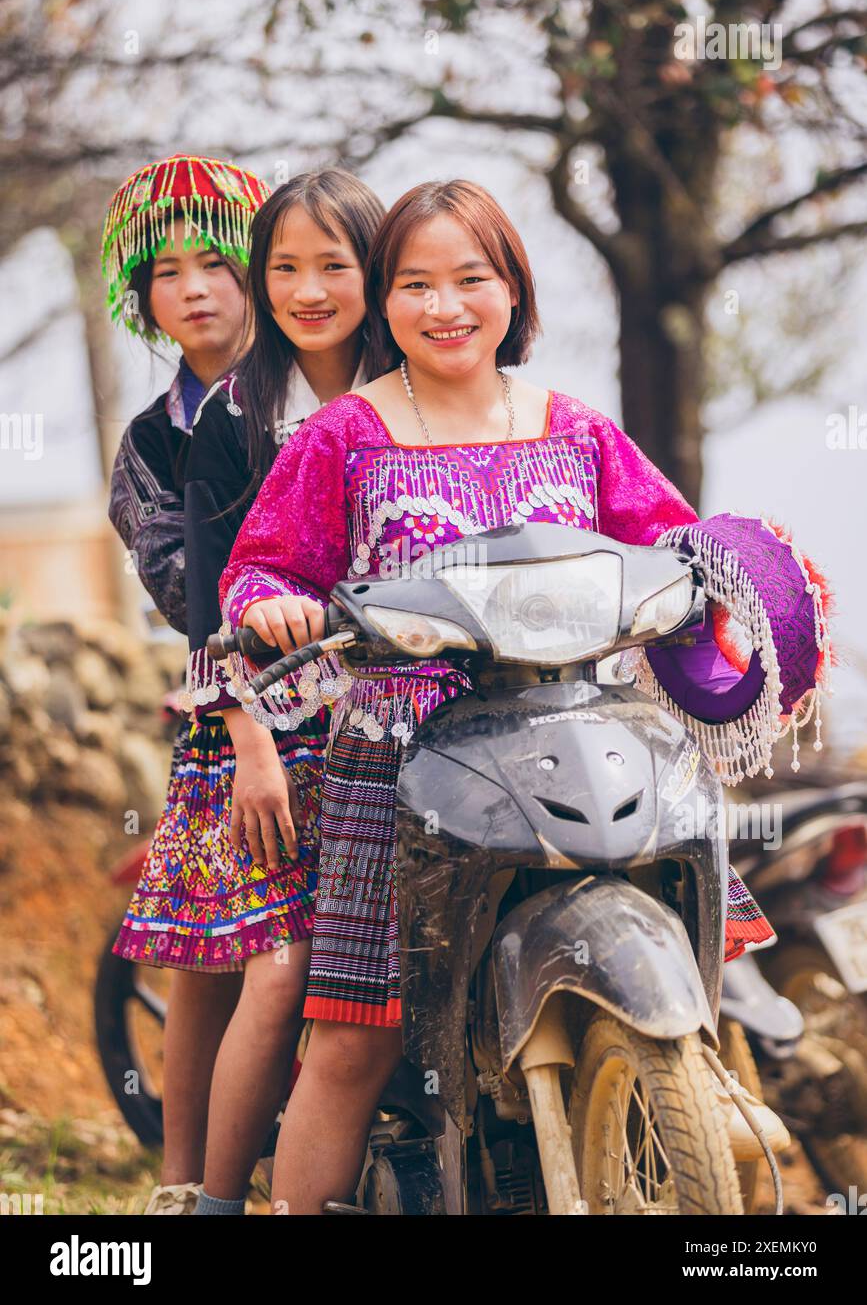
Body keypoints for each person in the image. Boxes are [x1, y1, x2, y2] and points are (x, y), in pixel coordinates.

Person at [217, 179, 791, 1213]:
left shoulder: (575, 426)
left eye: (471, 279)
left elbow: (670, 538)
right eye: (416, 284)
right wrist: (273, 609)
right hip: (400, 764)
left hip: (576, 731)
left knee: (697, 942)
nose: (446, 307)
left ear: (512, 290)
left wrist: (721, 593)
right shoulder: (344, 435)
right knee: (353, 1036)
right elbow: (260, 569)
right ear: (384, 305)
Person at [181, 168, 386, 1217]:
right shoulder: (233, 413)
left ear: (375, 269)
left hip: (403, 716)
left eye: (334, 265)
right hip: (265, 728)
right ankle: (216, 1202)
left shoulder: (418, 386)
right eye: (285, 267)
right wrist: (249, 740)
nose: (308, 289)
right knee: (284, 961)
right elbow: (200, 600)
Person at [104, 153, 271, 1214]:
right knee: (209, 953)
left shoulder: (327, 392)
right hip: (229, 706)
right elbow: (182, 585)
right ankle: (182, 1189)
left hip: (375, 681)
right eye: (167, 271)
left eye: (217, 259)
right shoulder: (152, 442)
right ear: (143, 298)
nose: (196, 286)